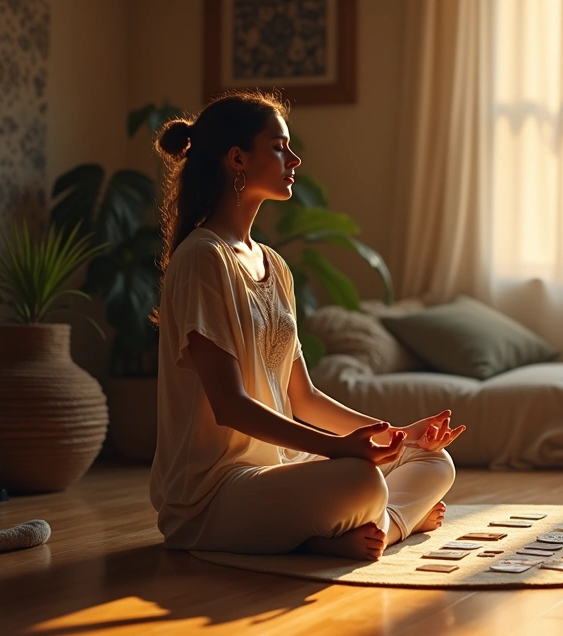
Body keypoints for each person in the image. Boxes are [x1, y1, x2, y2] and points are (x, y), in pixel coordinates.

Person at [148, 90, 465, 561]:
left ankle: (380, 528)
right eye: (278, 147)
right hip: (215, 494)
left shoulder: (274, 266)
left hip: (277, 472)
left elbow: (303, 397)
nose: (294, 159)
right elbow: (230, 406)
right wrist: (340, 451)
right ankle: (388, 521)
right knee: (359, 479)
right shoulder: (202, 258)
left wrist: (399, 434)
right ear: (237, 159)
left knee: (433, 461)